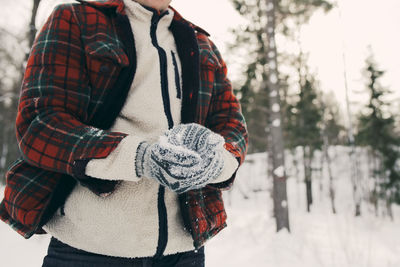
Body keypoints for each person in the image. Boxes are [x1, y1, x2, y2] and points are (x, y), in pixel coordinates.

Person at [0, 0, 248, 266]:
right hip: (89, 250)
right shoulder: (76, 19)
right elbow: (40, 123)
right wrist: (140, 157)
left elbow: (232, 127)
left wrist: (217, 161)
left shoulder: (201, 44)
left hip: (185, 252)